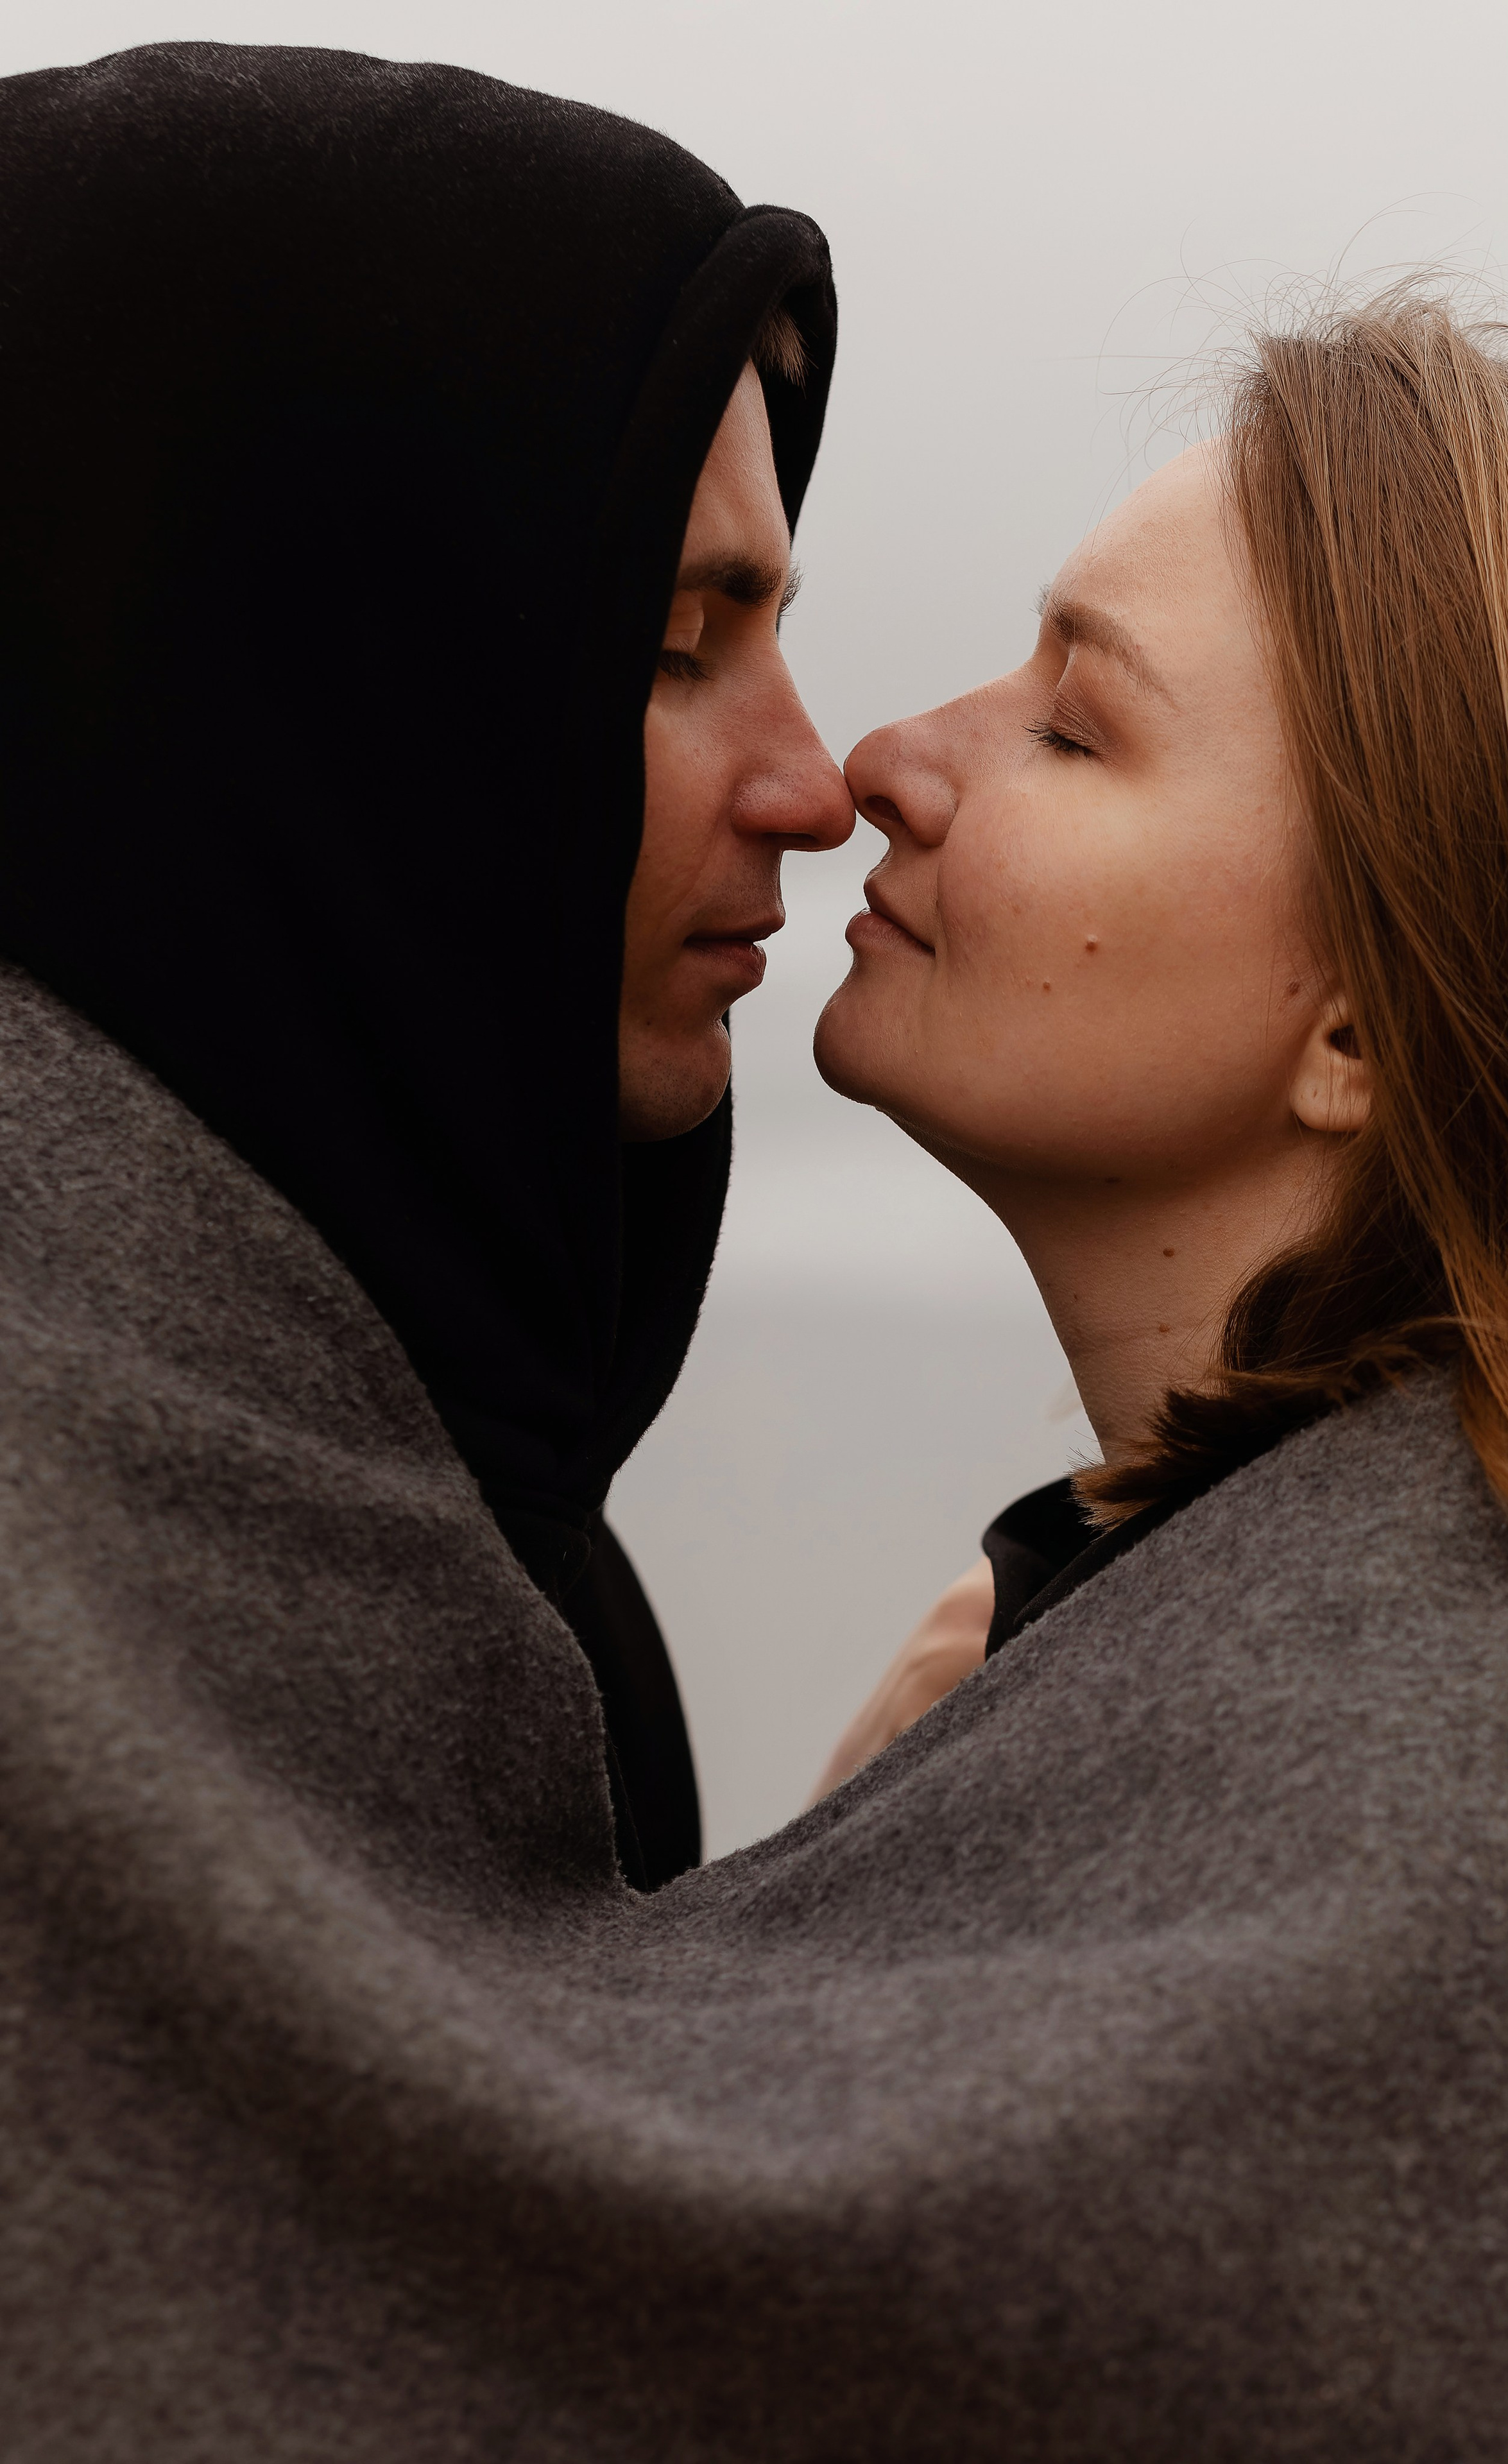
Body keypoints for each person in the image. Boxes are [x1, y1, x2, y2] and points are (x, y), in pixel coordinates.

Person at [6, 47, 1508, 2434]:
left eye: (1076, 728)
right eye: (675, 640)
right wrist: (873, 1891)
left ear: (1370, 1026)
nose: (865, 763)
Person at [0, 40, 852, 1892]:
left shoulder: (466, 1531)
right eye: (671, 645)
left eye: (776, 626)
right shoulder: (77, 1583)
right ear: (325, 702)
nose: (818, 788)